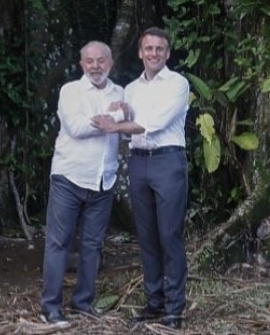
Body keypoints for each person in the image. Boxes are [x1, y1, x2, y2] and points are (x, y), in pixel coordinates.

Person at [91, 27, 190, 329]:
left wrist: (115, 126)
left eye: (159, 49)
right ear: (140, 53)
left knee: (169, 235)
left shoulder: (178, 84)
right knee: (146, 236)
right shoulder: (132, 89)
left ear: (168, 53)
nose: (154, 53)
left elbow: (153, 123)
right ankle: (154, 302)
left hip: (168, 162)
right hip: (139, 163)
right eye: (149, 48)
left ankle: (174, 308)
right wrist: (117, 112)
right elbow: (128, 123)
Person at [40, 41, 126, 327]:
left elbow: (126, 130)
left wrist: (117, 118)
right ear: (82, 65)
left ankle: (83, 302)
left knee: (92, 245)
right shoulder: (70, 91)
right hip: (70, 177)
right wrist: (116, 116)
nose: (95, 66)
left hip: (103, 181)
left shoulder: (120, 93)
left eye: (101, 61)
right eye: (90, 61)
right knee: (59, 243)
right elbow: (76, 128)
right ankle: (51, 307)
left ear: (110, 63)